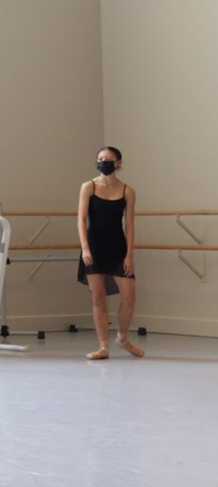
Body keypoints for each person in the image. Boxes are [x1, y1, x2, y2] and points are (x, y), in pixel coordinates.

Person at [77, 146, 143, 360]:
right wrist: (85, 247)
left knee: (129, 296)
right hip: (94, 245)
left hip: (117, 246)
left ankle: (122, 338)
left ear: (118, 163)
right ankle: (103, 345)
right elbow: (81, 219)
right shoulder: (88, 186)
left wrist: (129, 254)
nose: (103, 162)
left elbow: (130, 224)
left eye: (107, 159)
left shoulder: (127, 191)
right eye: (100, 158)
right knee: (98, 297)